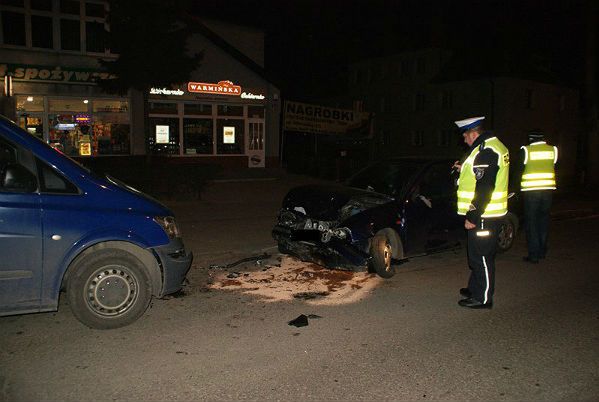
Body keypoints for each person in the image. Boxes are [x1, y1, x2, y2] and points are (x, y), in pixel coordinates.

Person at [453, 116, 509, 309]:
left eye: (465, 136)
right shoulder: (487, 147)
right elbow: (478, 174)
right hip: (488, 213)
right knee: (476, 254)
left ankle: (483, 298)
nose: (464, 140)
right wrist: (463, 168)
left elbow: (485, 187)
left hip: (485, 214)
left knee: (482, 257)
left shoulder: (487, 151)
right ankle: (474, 288)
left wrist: (473, 216)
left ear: (473, 133)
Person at [520, 130, 558, 263]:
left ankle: (534, 254)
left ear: (531, 139)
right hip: (548, 191)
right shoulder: (553, 150)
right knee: (543, 221)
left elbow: (520, 170)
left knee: (532, 223)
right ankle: (542, 251)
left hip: (531, 192)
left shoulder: (526, 150)